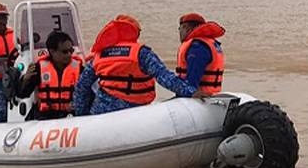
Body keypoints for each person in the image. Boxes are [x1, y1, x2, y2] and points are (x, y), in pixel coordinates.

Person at [72, 14, 209, 116]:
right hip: (135, 113)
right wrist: (191, 92)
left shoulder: (99, 55)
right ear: (134, 32)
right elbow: (164, 77)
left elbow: (81, 86)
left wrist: (82, 117)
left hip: (101, 112)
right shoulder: (141, 53)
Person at [17, 31, 82, 120]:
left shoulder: (80, 69)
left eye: (71, 51)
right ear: (52, 51)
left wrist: (77, 104)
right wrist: (26, 79)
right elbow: (22, 94)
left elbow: (88, 94)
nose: (69, 55)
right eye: (65, 52)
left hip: (70, 116)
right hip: (45, 116)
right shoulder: (38, 68)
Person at [176, 12, 226, 93]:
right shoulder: (211, 43)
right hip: (212, 94)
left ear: (187, 28)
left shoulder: (197, 48)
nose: (179, 32)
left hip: (200, 97)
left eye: (180, 29)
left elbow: (192, 80)